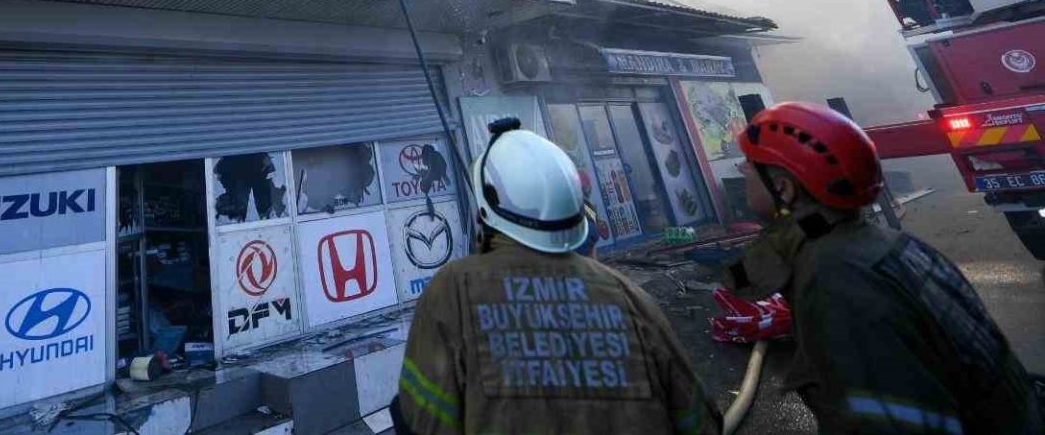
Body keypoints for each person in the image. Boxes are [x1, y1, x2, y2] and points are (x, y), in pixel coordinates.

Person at [726, 101, 1043, 434]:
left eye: (750, 164)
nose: (743, 169)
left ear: (782, 188)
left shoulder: (836, 279)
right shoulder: (876, 242)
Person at [391, 120, 720, 435]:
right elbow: (699, 421)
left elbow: (421, 420)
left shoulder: (452, 290)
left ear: (484, 214)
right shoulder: (630, 296)